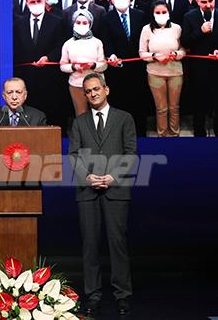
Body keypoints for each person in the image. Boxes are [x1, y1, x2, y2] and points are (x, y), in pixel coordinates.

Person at [68, 73, 136, 317]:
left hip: (116, 190)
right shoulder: (79, 122)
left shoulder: (124, 118)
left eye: (96, 89)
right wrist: (87, 177)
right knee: (90, 246)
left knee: (118, 244)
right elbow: (73, 155)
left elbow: (131, 153)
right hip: (87, 192)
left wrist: (113, 176)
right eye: (88, 91)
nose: (93, 94)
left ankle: (122, 295)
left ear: (106, 90)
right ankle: (93, 295)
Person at [0, 78, 48, 265]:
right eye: (10, 93)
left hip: (27, 187)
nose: (14, 97)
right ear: (3, 95)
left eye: (18, 92)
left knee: (26, 235)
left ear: (25, 95)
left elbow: (43, 150)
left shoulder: (37, 117)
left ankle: (29, 274)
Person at [99, 0, 150, 136]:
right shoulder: (106, 18)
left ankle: (140, 133)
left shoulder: (140, 15)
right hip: (117, 68)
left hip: (138, 67)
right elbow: (105, 40)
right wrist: (111, 55)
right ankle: (120, 134)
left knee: (139, 101)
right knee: (119, 102)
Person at [181, 0, 218, 137]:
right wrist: (200, 31)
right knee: (199, 102)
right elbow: (185, 42)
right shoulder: (189, 17)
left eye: (211, 1)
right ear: (197, 2)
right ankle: (199, 132)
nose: (208, 5)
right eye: (204, 2)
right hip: (198, 69)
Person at [13, 0, 65, 127]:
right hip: (27, 78)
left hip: (50, 78)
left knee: (51, 115)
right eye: (32, 2)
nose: (36, 4)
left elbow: (61, 45)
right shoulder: (19, 24)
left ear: (44, 1)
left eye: (39, 1)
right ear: (27, 3)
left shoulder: (57, 21)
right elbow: (17, 48)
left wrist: (48, 57)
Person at [139, 1, 186, 136]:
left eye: (164, 12)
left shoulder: (177, 28)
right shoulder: (146, 29)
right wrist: (154, 56)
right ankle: (162, 135)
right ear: (153, 14)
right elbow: (142, 53)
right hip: (155, 73)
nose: (161, 15)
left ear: (169, 13)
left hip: (175, 72)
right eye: (158, 12)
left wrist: (176, 54)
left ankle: (174, 134)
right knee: (161, 108)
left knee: (174, 107)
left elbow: (183, 50)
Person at [60, 10, 107, 116]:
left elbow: (104, 65)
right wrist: (73, 67)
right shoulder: (68, 44)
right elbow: (62, 65)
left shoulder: (97, 42)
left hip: (96, 84)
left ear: (90, 24)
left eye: (85, 23)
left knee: (99, 113)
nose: (81, 25)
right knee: (81, 114)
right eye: (78, 22)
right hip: (76, 85)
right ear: (73, 24)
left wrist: (93, 65)